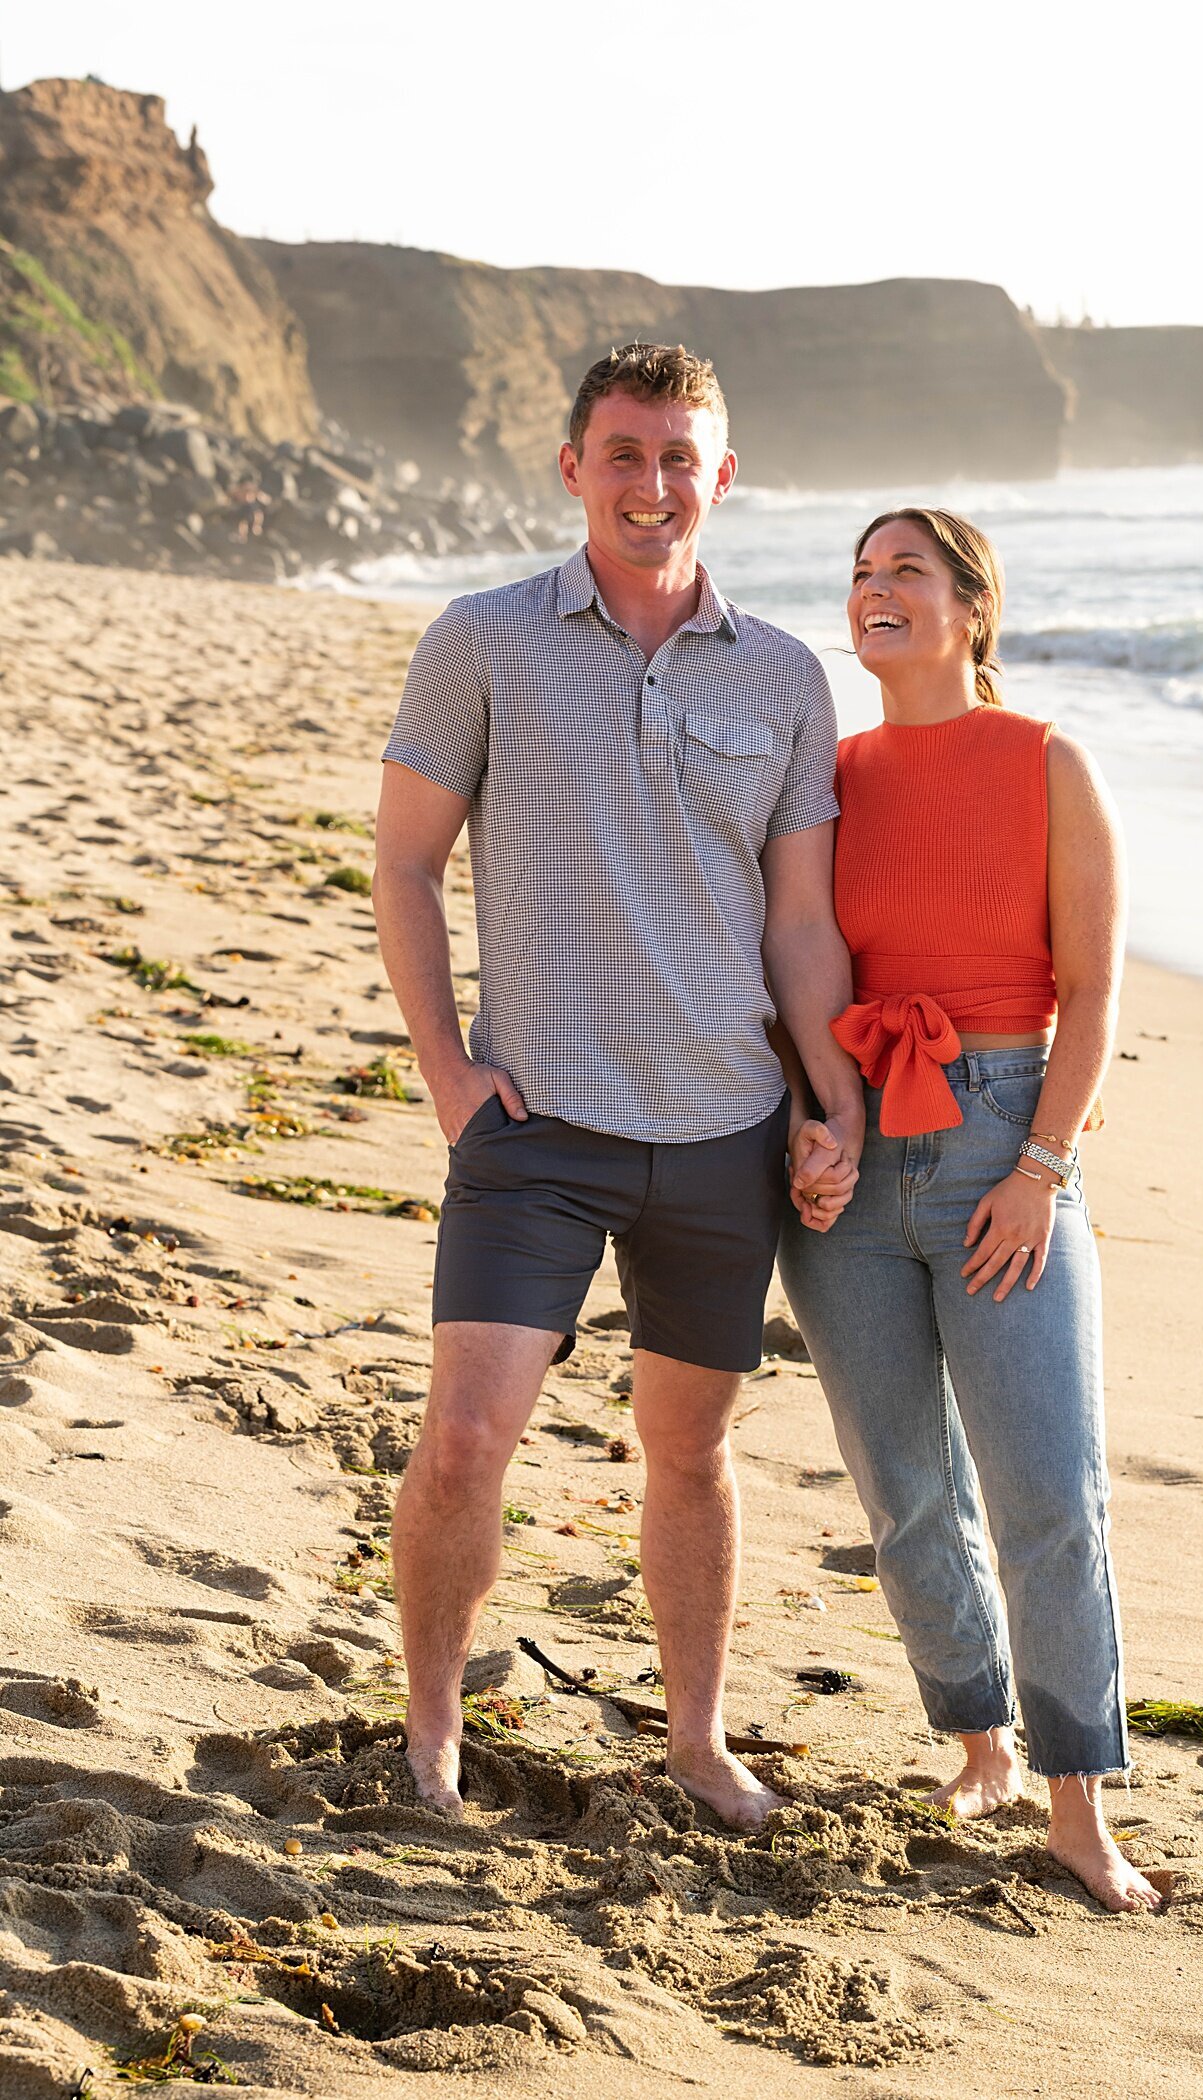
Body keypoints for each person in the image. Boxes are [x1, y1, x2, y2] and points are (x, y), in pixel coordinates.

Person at [372, 342, 863, 1830]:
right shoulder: (483, 639)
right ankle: (435, 1722)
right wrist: (451, 1072)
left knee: (692, 1451)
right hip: (536, 1121)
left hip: (723, 1125)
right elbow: (405, 860)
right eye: (625, 454)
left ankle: (698, 1741)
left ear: (723, 476)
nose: (653, 486)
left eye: (680, 459)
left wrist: (829, 1101)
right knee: (465, 1439)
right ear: (575, 466)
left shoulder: (783, 676)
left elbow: (799, 921)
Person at [778, 507, 1164, 1912]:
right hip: (859, 1152)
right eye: (864, 574)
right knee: (903, 1492)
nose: (876, 593)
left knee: (1048, 1495)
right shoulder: (828, 776)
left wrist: (1042, 1169)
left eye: (909, 574)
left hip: (1006, 1139)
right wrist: (818, 1124)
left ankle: (1079, 1805)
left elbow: (1095, 991)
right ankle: (980, 1744)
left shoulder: (1049, 762)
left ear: (971, 607)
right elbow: (800, 963)